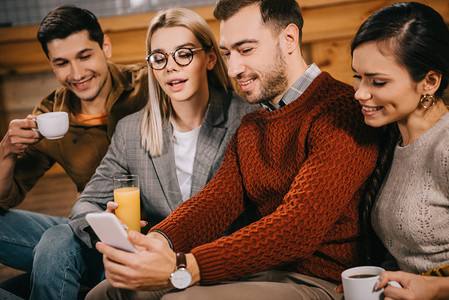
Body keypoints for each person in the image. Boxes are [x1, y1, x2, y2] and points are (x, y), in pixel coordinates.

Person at [86, 0, 380, 299]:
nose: (233, 68)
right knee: (107, 294)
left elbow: (297, 227)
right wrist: (160, 241)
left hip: (321, 280)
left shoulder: (341, 109)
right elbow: (214, 203)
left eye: (246, 49)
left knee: (180, 298)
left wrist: (184, 265)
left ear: (289, 39)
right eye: (227, 53)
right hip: (263, 271)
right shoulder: (253, 124)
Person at [30, 7, 256, 300]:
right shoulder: (132, 130)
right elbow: (86, 204)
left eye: (184, 53)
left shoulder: (249, 118)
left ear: (210, 58)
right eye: (159, 58)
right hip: (151, 266)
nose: (170, 67)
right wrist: (110, 227)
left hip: (224, 269)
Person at [0, 4, 148, 299]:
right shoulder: (49, 113)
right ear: (51, 64)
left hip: (153, 231)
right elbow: (6, 196)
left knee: (53, 247)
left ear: (105, 46)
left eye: (85, 56)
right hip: (88, 230)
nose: (77, 73)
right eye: (61, 63)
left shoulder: (147, 87)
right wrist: (6, 151)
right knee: (57, 242)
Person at [350, 2, 449, 299]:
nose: (359, 93)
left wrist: (433, 288)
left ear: (429, 82)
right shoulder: (388, 140)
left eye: (377, 81)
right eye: (357, 75)